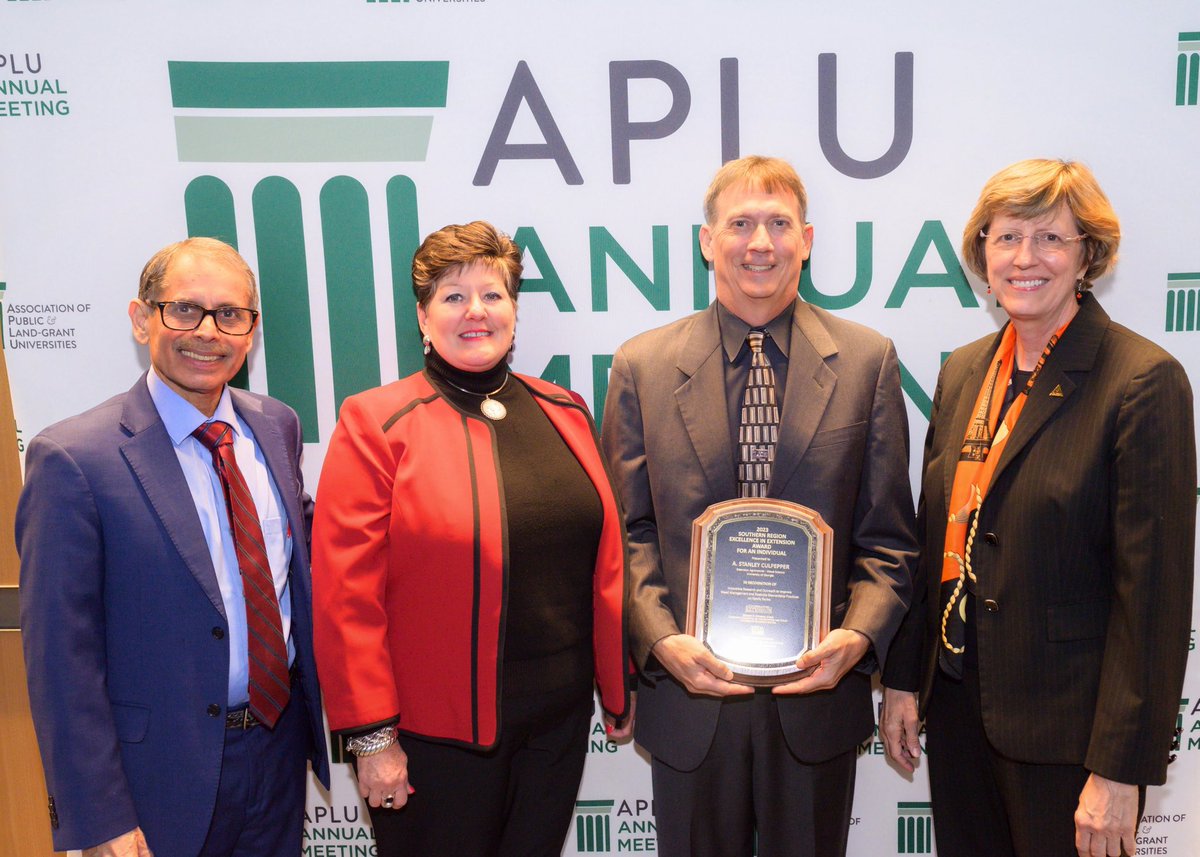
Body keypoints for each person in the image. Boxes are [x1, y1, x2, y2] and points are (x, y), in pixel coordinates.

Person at [601, 155, 916, 857]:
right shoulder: (642, 364)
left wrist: (858, 638)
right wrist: (658, 639)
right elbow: (625, 533)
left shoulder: (868, 361)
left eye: (778, 224)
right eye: (740, 223)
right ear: (708, 240)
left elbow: (890, 537)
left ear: (806, 238)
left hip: (817, 697)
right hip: (690, 700)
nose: (760, 243)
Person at [880, 158, 1195, 857]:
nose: (1026, 258)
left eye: (1050, 238)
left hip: (1071, 734)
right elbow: (936, 539)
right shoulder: (966, 369)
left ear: (1088, 253)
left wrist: (1118, 767)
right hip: (960, 708)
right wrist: (904, 678)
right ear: (982, 254)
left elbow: (1154, 600)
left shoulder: (1142, 381)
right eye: (1006, 237)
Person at [311, 220, 630, 857]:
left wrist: (618, 684)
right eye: (453, 297)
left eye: (493, 294)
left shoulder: (565, 412)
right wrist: (373, 740)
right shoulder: (377, 422)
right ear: (424, 319)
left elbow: (602, 566)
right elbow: (347, 598)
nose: (476, 311)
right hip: (433, 743)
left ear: (514, 310)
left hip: (557, 727)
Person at [18, 237, 330, 857]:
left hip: (277, 750)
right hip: (155, 777)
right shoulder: (74, 459)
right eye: (184, 309)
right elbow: (60, 657)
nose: (208, 332)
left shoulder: (276, 425)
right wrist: (98, 815)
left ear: (251, 330)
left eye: (230, 314)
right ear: (142, 319)